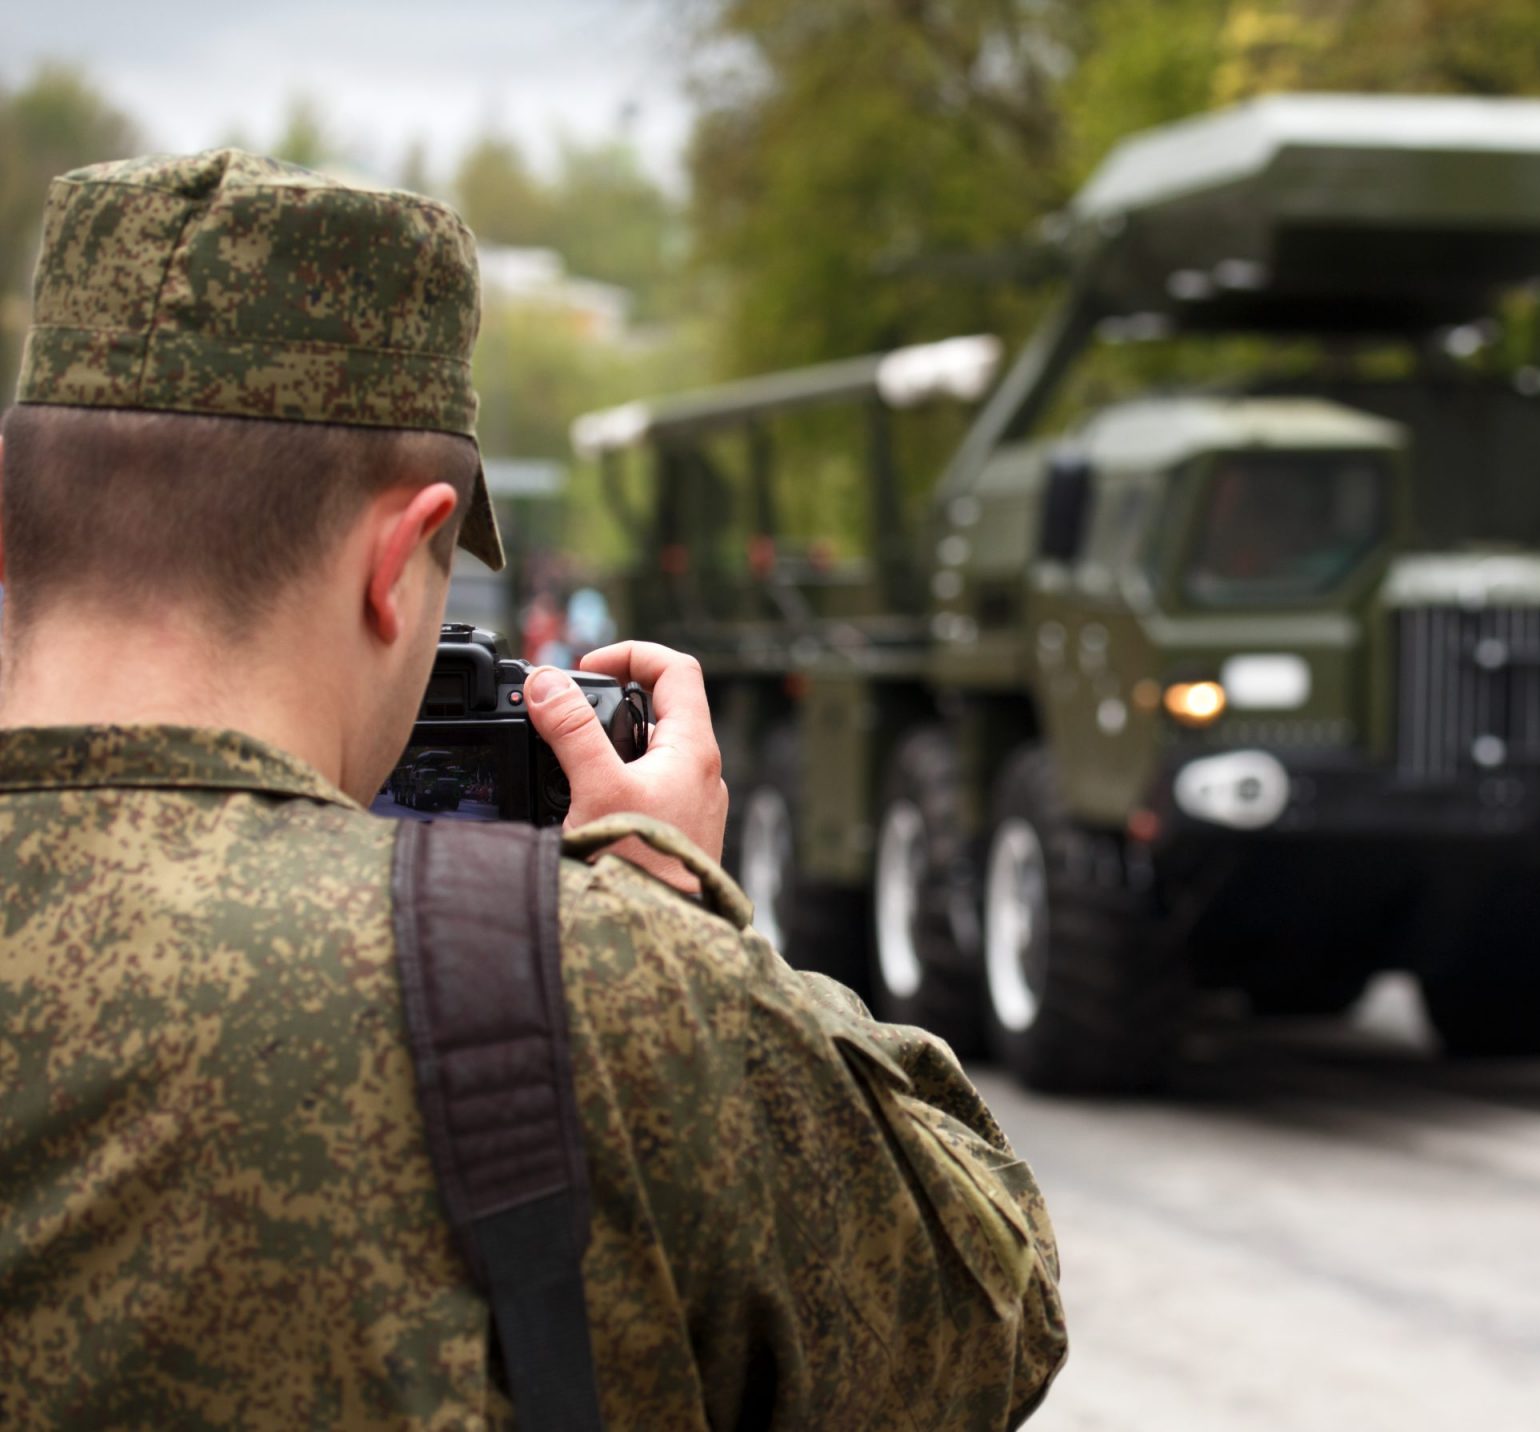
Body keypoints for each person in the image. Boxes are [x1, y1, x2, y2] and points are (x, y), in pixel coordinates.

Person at [0, 150, 1065, 1429]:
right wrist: (678, 924)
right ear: (398, 560)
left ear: (10, 531)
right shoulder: (582, 992)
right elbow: (991, 1323)